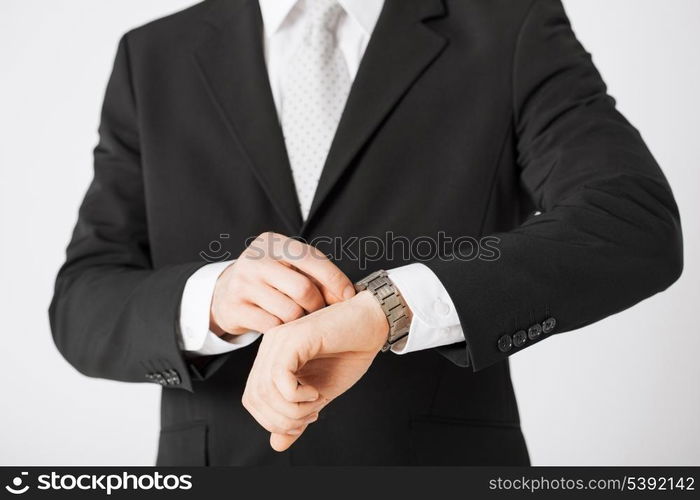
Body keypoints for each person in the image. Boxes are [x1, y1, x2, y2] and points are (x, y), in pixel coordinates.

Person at [49, 0, 683, 465]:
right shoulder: (152, 55)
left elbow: (630, 219)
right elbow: (82, 302)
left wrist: (393, 308)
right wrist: (210, 300)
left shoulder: (510, 25)